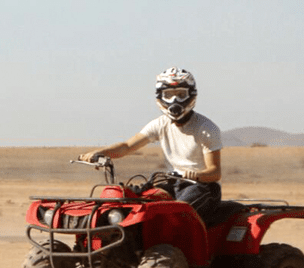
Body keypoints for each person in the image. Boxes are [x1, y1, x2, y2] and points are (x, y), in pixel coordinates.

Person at [79, 67, 223, 221]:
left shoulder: (206, 128)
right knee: (137, 204)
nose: (174, 100)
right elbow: (127, 146)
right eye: (169, 95)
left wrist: (194, 174)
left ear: (191, 94)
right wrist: (100, 153)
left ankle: (173, 245)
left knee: (176, 215)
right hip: (172, 183)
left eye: (180, 94)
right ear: (160, 96)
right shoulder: (160, 124)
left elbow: (214, 172)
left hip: (202, 187)